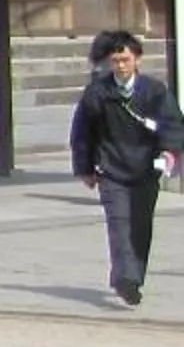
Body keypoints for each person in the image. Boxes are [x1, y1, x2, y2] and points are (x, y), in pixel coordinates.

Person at [68, 29, 183, 308]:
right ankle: (124, 278)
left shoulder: (155, 91)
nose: (120, 65)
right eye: (115, 60)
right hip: (112, 168)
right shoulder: (98, 92)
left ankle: (134, 277)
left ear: (137, 60)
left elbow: (172, 124)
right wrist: (84, 167)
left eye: (125, 59)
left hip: (145, 168)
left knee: (140, 226)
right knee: (119, 225)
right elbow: (82, 131)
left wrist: (169, 152)